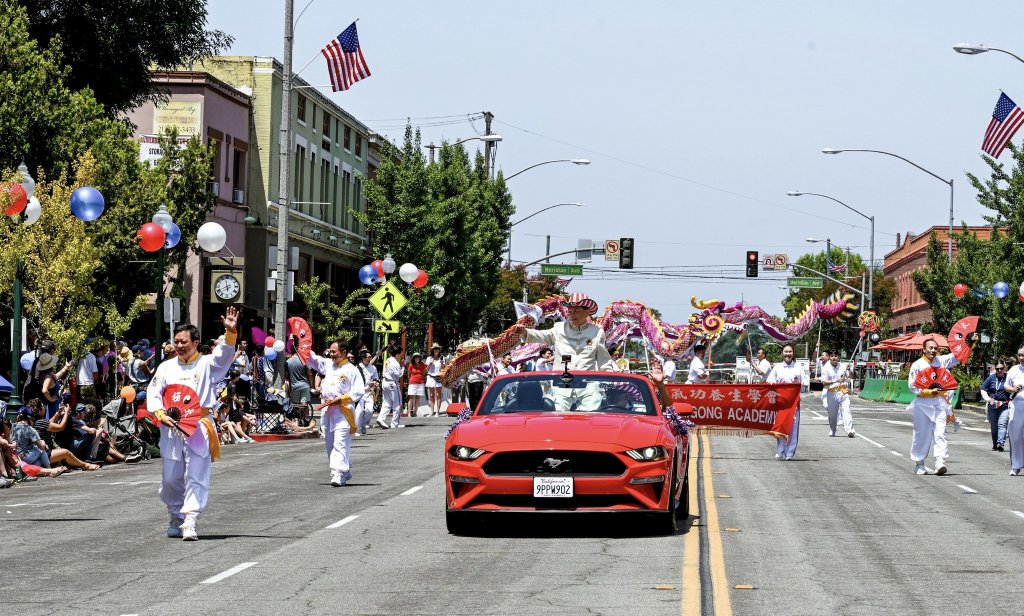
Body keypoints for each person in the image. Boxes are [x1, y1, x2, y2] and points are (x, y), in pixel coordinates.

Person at [147, 307, 238, 541]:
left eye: (183, 341)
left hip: (198, 426)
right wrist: (159, 413)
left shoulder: (208, 364)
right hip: (171, 427)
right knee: (170, 479)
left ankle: (190, 520)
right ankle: (175, 516)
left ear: (195, 342)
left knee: (197, 475)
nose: (179, 346)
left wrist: (230, 332)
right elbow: (154, 392)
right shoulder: (166, 367)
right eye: (176, 342)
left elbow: (225, 355)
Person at [520, 293, 615, 411]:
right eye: (570, 311)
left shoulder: (597, 332)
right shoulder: (559, 328)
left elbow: (604, 360)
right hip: (561, 385)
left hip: (588, 386)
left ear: (587, 312)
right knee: (557, 417)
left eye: (576, 311)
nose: (572, 314)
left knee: (591, 417)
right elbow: (541, 335)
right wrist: (524, 332)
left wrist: (609, 381)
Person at [301, 337, 364, 487]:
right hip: (328, 411)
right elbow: (313, 359)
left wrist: (341, 399)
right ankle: (344, 470)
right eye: (330, 351)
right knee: (329, 443)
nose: (331, 354)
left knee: (340, 442)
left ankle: (338, 473)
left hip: (344, 411)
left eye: (334, 352)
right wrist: (300, 344)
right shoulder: (328, 365)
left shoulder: (352, 370)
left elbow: (358, 391)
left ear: (344, 352)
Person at [907, 337, 960, 476]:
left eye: (935, 348)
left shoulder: (941, 361)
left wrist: (970, 343)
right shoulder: (917, 365)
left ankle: (939, 462)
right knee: (921, 435)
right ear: (924, 349)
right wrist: (929, 391)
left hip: (940, 404)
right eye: (930, 348)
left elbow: (956, 356)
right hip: (923, 404)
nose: (933, 350)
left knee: (940, 432)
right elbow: (912, 385)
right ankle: (919, 463)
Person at [766, 344, 803, 461]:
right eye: (786, 352)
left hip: (793, 404)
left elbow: (805, 382)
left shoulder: (798, 368)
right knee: (780, 426)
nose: (788, 354)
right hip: (780, 404)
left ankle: (789, 453)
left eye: (790, 351)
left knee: (793, 428)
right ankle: (780, 450)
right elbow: (769, 381)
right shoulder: (777, 368)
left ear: (793, 353)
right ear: (782, 353)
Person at [820, 351, 855, 438]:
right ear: (829, 357)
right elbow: (824, 383)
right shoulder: (825, 368)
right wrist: (835, 380)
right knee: (833, 414)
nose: (834, 358)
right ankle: (833, 429)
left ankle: (849, 430)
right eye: (832, 356)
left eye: (835, 356)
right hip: (831, 392)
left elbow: (852, 377)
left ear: (838, 357)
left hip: (843, 392)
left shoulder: (843, 366)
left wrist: (850, 370)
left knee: (846, 409)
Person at [982, 361, 1011, 451]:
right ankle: (995, 443)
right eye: (997, 369)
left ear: (1004, 368)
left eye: (1001, 368)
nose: (999, 370)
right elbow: (983, 389)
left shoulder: (1008, 378)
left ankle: (1000, 444)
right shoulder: (991, 378)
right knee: (994, 426)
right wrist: (988, 399)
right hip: (993, 405)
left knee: (1002, 424)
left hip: (1005, 405)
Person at [1004, 348, 1024, 476]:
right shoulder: (1014, 369)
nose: (1022, 358)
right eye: (1020, 355)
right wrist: (1012, 388)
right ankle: (1016, 465)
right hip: (1017, 404)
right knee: (1016, 436)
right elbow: (1006, 386)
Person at [377, 345, 405, 429]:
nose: (402, 354)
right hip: (392, 383)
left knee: (387, 403)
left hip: (385, 382)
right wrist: (403, 366)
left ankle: (381, 418)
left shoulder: (388, 360)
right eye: (401, 352)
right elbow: (399, 375)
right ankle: (395, 423)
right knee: (397, 403)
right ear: (397, 354)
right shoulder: (395, 363)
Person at [356, 350, 380, 434]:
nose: (370, 358)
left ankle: (363, 424)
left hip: (369, 392)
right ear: (363, 358)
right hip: (360, 392)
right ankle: (357, 430)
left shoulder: (372, 368)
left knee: (369, 411)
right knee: (359, 411)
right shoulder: (357, 368)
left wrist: (374, 383)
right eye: (368, 357)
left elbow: (376, 379)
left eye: (370, 357)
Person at [425, 343, 445, 416]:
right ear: (432, 350)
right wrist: (430, 364)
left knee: (438, 395)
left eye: (438, 349)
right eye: (435, 349)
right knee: (431, 395)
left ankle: (437, 412)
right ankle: (432, 411)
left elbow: (443, 370)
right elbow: (426, 371)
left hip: (438, 377)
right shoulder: (429, 358)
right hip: (430, 377)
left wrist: (442, 365)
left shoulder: (442, 358)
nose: (436, 350)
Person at [406, 352, 428, 417]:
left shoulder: (422, 364)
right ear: (413, 358)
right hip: (412, 383)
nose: (417, 358)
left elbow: (424, 373)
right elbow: (408, 374)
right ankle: (409, 413)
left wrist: (424, 381)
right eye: (415, 357)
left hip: (420, 383)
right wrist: (410, 381)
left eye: (418, 357)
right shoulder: (411, 365)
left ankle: (415, 412)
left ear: (420, 358)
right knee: (411, 398)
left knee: (418, 398)